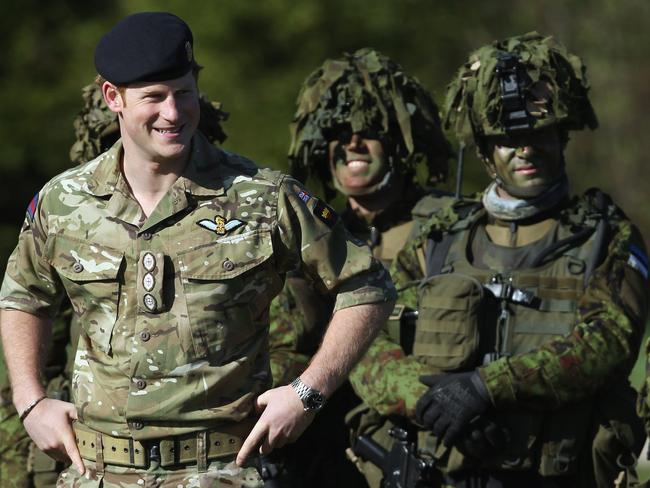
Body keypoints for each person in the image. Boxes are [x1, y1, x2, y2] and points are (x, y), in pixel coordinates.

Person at [0, 12, 395, 488]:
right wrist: (31, 400)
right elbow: (24, 296)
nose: (173, 113)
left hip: (222, 470)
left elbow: (367, 285)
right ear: (113, 98)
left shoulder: (262, 197)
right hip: (97, 472)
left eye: (183, 92)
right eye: (154, 97)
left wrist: (309, 392)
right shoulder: (64, 202)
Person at [350, 32, 649, 487]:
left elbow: (607, 343)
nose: (525, 149)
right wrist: (430, 402)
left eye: (538, 133)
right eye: (507, 139)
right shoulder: (440, 237)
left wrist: (484, 388)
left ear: (562, 136)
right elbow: (365, 338)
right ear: (487, 153)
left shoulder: (606, 237)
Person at [267, 47, 452, 487]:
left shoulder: (451, 227)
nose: (352, 143)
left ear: (399, 140)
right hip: (332, 457)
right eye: (337, 132)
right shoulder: (311, 236)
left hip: (435, 449)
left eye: (370, 130)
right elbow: (284, 347)